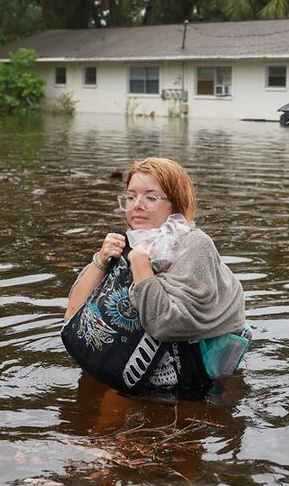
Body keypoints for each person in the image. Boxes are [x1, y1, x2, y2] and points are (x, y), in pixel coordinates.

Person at [64, 157, 246, 390]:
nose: (137, 205)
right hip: (131, 370)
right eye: (131, 196)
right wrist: (100, 260)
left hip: (192, 382)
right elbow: (72, 318)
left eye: (151, 197)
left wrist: (141, 266)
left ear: (175, 203)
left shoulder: (195, 245)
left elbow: (166, 325)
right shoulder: (127, 242)